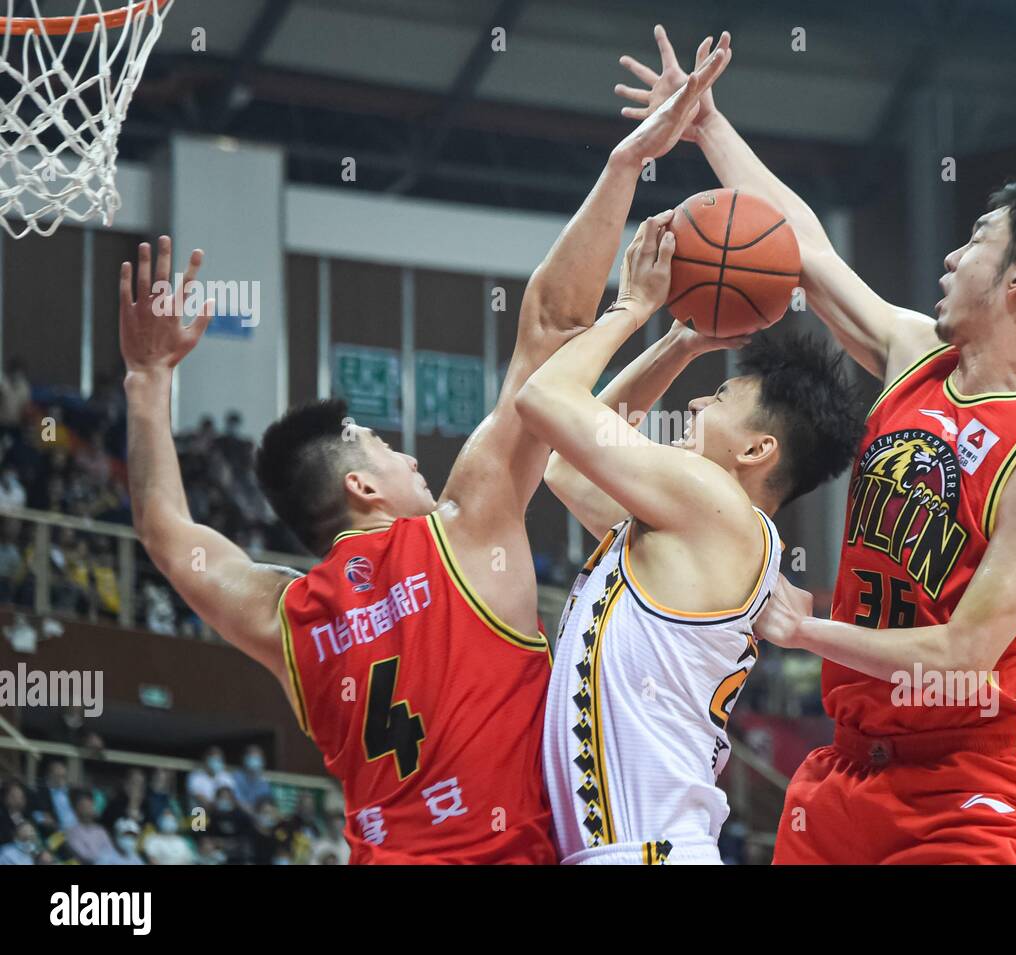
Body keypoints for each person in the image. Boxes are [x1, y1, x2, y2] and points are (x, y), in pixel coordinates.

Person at [118, 52, 727, 865]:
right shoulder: (465, 529)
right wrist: (625, 165)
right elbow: (547, 324)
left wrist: (147, 379)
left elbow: (165, 531)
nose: (409, 454)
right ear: (361, 483)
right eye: (385, 444)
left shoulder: (289, 621)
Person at [619, 26, 1016, 865]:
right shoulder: (917, 355)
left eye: (976, 242)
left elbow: (962, 653)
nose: (953, 254)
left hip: (965, 790)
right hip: (848, 766)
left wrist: (803, 626)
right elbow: (806, 253)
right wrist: (707, 123)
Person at [518, 209, 859, 864]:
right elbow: (565, 469)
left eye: (722, 396)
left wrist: (630, 308)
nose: (698, 404)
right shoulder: (697, 522)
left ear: (760, 448)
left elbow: (545, 398)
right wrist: (679, 342)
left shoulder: (714, 506)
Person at [185, 746, 236, 811]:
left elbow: (231, 797)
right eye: (213, 759)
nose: (216, 762)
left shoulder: (226, 776)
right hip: (200, 814)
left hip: (221, 812)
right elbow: (200, 799)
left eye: (218, 760)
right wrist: (216, 806)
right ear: (205, 759)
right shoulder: (195, 776)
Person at [231, 744, 272, 813]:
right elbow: (238, 801)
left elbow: (266, 802)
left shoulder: (263, 782)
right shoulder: (236, 777)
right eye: (252, 757)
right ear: (245, 759)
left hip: (258, 816)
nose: (254, 761)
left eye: (257, 758)